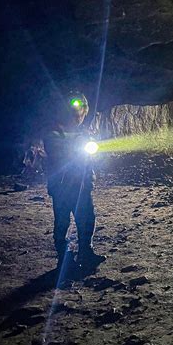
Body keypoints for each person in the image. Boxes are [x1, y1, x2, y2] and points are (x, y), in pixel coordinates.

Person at [43, 90, 106, 269]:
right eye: (75, 113)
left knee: (86, 219)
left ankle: (86, 253)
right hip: (62, 186)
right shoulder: (54, 132)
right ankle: (65, 259)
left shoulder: (84, 132)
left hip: (82, 185)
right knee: (62, 223)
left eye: (81, 112)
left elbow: (93, 156)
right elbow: (56, 153)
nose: (79, 116)